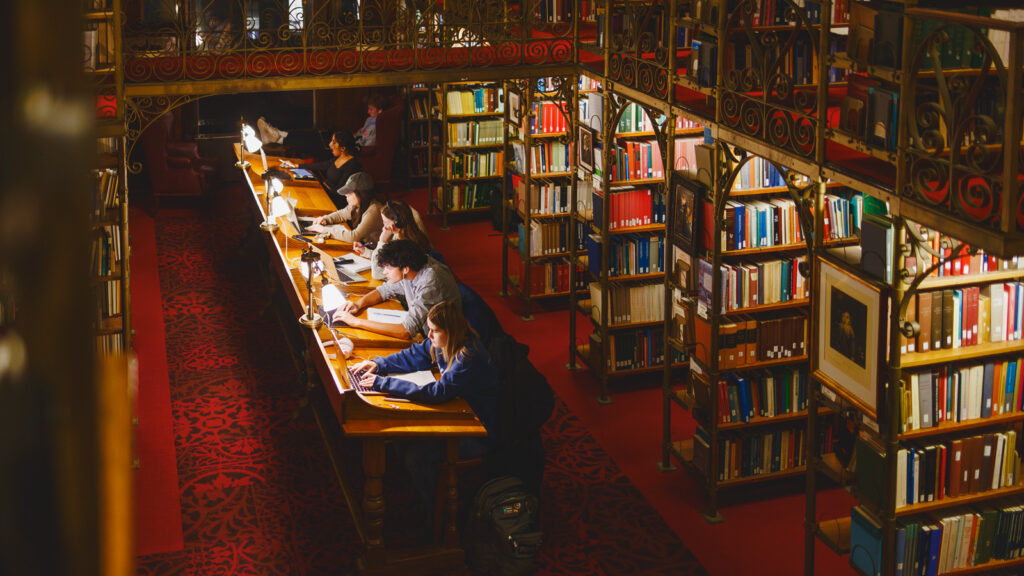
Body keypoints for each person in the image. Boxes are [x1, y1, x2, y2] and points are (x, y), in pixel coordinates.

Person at [350, 300, 499, 520]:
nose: (428, 335)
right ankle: (419, 494)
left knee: (416, 456)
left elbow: (436, 393)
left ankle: (435, 514)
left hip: (478, 430)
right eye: (428, 328)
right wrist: (379, 365)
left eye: (434, 331)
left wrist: (382, 383)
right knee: (403, 437)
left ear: (451, 331)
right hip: (457, 412)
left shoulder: (467, 357)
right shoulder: (443, 340)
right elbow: (414, 355)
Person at [332, 239, 461, 341]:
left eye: (388, 268)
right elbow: (384, 290)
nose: (384, 272)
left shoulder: (430, 281)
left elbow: (405, 331)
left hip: (440, 343)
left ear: (405, 268)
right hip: (425, 334)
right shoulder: (411, 268)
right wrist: (357, 304)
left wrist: (355, 322)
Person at [354, 199, 434, 280]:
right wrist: (366, 252)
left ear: (397, 222)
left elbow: (377, 273)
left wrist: (382, 241)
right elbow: (387, 259)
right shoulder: (401, 234)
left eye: (385, 222)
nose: (384, 227)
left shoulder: (404, 245)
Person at [286, 130, 363, 209]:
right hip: (324, 191)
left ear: (343, 148)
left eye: (334, 142)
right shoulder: (339, 157)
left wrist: (319, 186)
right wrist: (298, 165)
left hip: (333, 201)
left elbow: (340, 192)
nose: (330, 145)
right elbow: (321, 165)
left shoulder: (352, 165)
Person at [305, 172, 384, 244]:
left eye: (349, 193)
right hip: (363, 246)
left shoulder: (374, 210)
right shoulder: (358, 205)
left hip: (372, 252)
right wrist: (325, 219)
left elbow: (353, 237)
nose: (346, 196)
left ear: (362, 194)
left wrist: (323, 230)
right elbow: (342, 214)